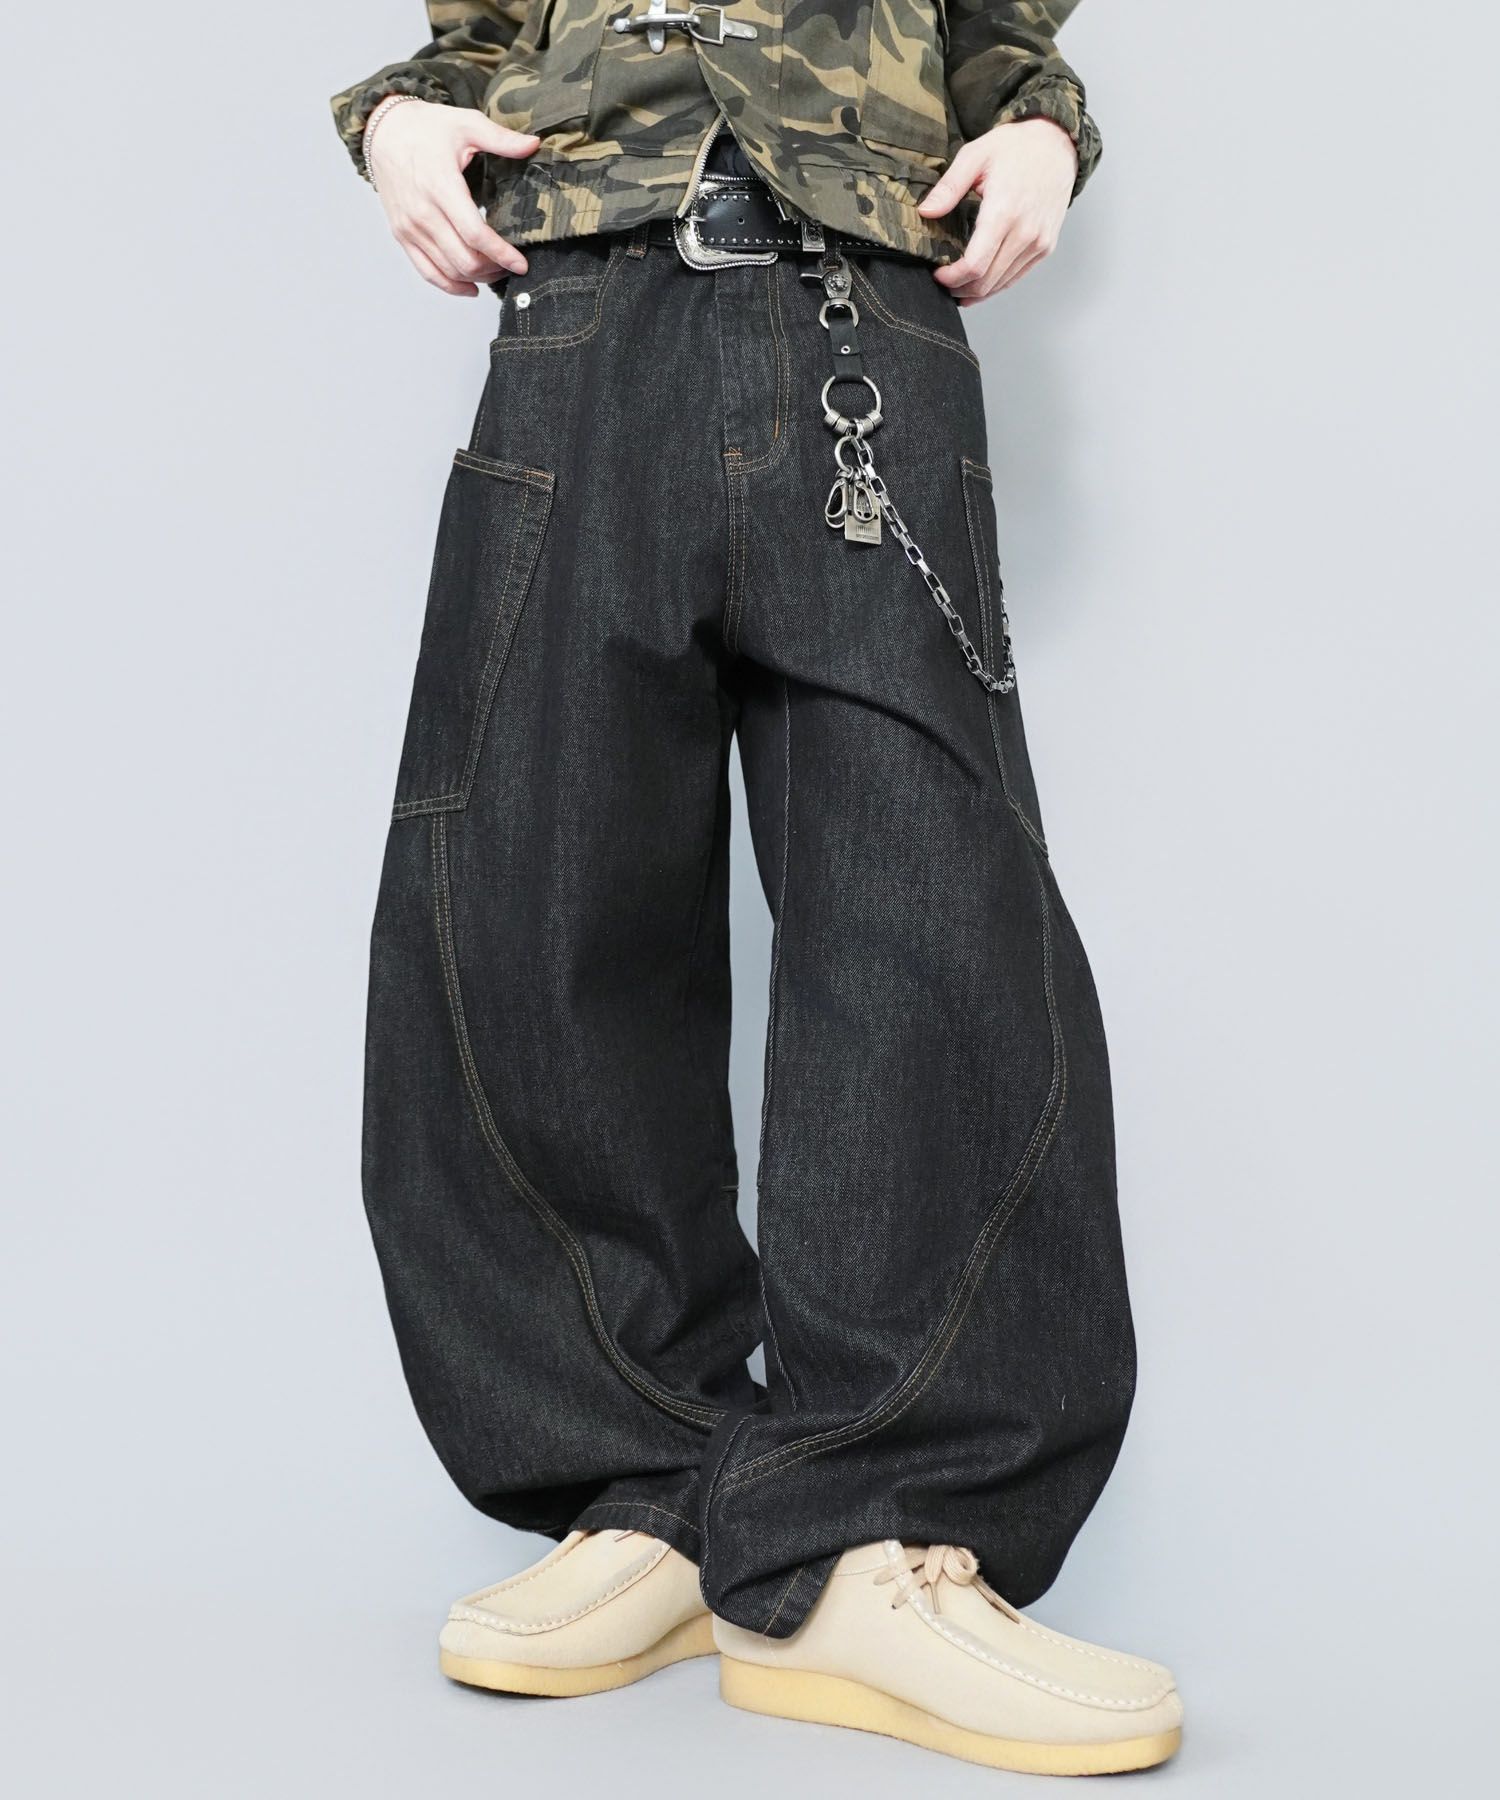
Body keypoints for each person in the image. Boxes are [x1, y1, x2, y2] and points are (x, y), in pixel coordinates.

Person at [332, 0, 1181, 1775]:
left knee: (924, 915)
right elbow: (473, 39)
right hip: (579, 319)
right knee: (533, 897)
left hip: (859, 308)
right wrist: (400, 122)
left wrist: (1043, 128)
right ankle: (650, 1483)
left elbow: (1002, 32)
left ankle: (873, 1534)